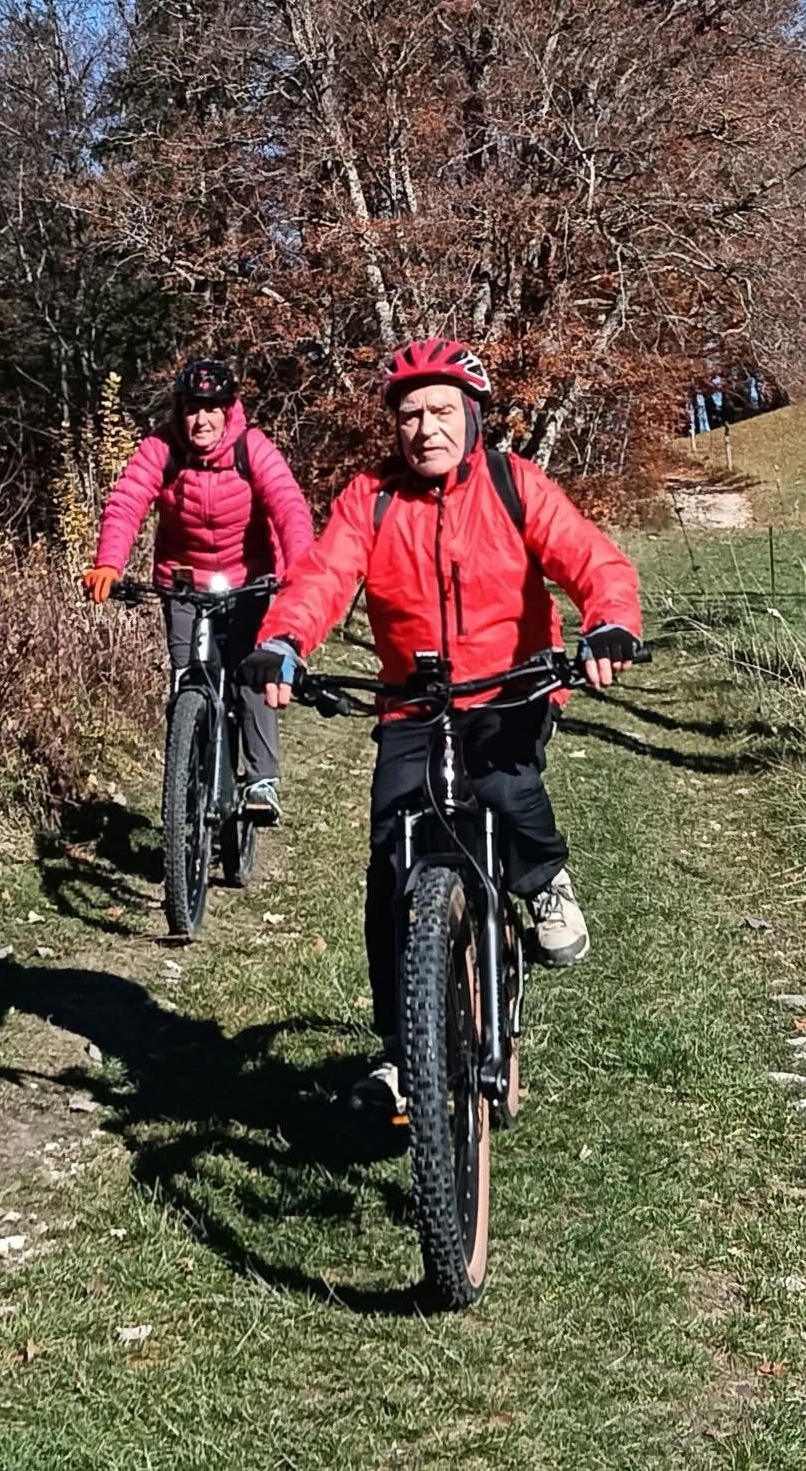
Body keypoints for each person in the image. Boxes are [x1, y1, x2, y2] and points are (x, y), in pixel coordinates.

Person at [237, 337, 642, 1110]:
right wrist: (284, 641)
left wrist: (610, 624)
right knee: (391, 859)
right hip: (415, 702)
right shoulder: (372, 498)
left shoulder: (514, 484)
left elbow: (592, 559)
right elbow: (323, 575)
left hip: (510, 689)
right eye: (411, 415)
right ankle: (403, 1048)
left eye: (442, 412)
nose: (426, 428)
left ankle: (542, 880)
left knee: (506, 787)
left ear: (473, 418)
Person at [83, 358, 314, 822]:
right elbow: (127, 502)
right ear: (179, 411)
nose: (201, 420)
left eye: (211, 409)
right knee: (186, 676)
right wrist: (109, 563)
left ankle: (262, 781)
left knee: (251, 672)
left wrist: (300, 573)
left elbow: (289, 507)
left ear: (228, 411)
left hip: (249, 581)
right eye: (192, 409)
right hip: (183, 581)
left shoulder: (252, 447)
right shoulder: (161, 448)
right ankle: (187, 767)